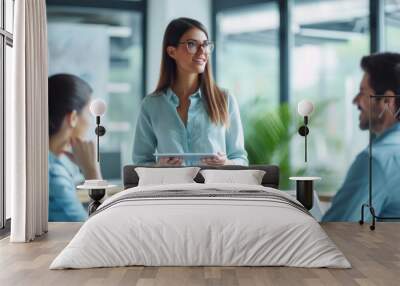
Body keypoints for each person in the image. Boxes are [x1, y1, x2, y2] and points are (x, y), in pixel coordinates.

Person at [132, 18, 248, 166]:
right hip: (170, 188)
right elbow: (140, 162)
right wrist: (159, 166)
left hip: (215, 189)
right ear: (172, 51)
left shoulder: (225, 100)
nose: (202, 52)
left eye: (205, 45)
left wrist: (225, 163)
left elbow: (240, 159)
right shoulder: (151, 105)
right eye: (192, 44)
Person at [322, 52, 400, 222]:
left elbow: (337, 233)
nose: (355, 101)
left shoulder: (377, 161)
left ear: (387, 101)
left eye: (363, 92)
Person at [48, 74, 102, 222]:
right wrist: (92, 172)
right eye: (88, 114)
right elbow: (102, 228)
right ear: (72, 118)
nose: (91, 122)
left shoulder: (50, 162)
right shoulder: (54, 174)